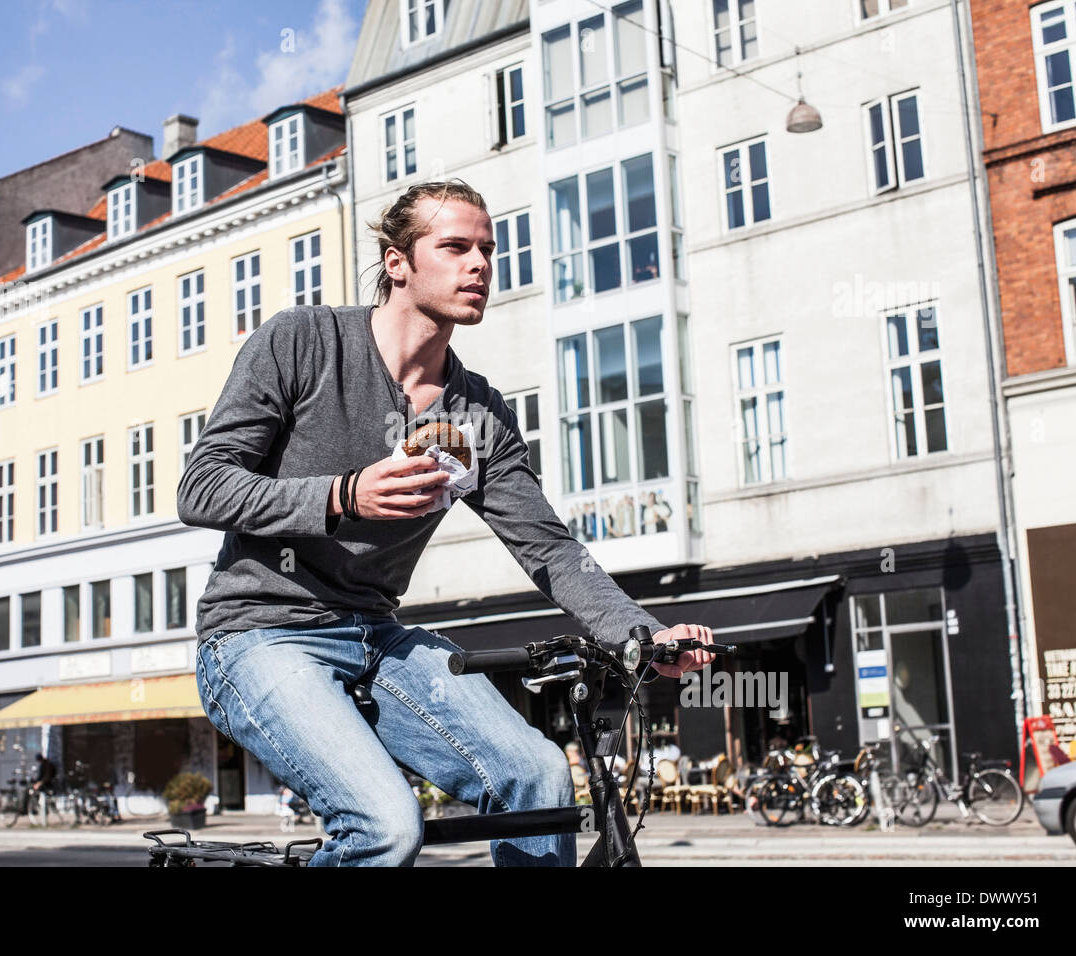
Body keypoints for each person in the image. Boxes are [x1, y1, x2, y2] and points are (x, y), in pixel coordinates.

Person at [182, 179, 716, 867]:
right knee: (385, 825)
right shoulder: (302, 343)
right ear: (396, 261)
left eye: (488, 250)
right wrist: (343, 496)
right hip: (257, 635)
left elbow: (549, 549)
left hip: (375, 634)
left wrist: (645, 635)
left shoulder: (477, 415)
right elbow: (202, 486)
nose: (480, 265)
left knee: (538, 776)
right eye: (456, 247)